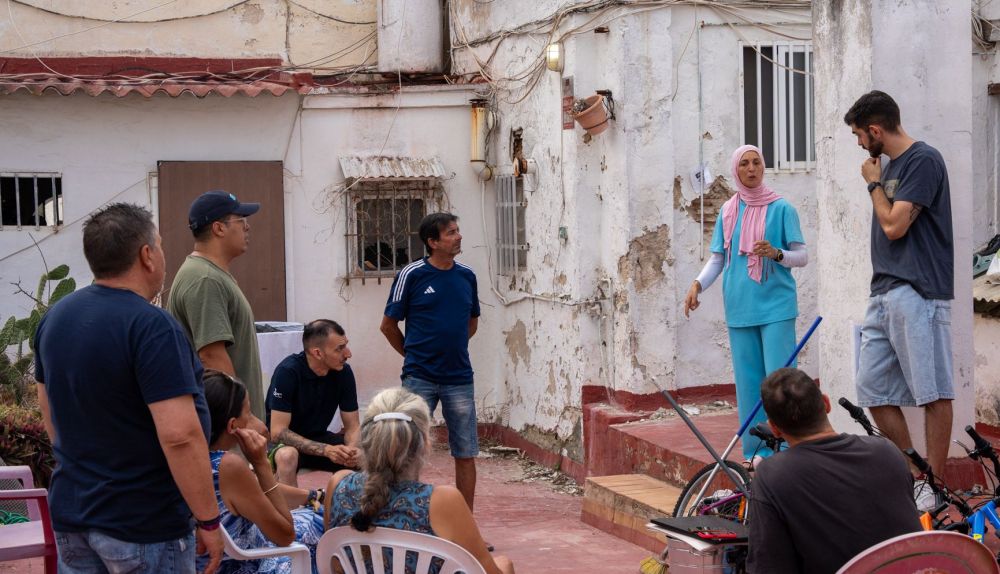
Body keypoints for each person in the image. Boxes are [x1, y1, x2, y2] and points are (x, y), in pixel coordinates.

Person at [34, 203, 223, 573]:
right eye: (162, 246)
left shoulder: (55, 318)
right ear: (147, 255)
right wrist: (208, 519)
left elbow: (50, 412)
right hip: (143, 522)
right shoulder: (152, 327)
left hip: (74, 513)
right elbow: (180, 436)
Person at [845, 90, 954, 479]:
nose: (860, 143)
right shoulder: (890, 166)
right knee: (872, 389)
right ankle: (913, 473)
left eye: (860, 134)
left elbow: (894, 226)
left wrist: (873, 185)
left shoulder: (923, 161)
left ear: (876, 129)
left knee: (933, 392)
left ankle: (936, 484)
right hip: (884, 292)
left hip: (919, 291)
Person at [684, 145, 808, 460]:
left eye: (756, 162)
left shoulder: (782, 209)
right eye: (744, 164)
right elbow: (718, 259)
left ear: (763, 167)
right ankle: (756, 454)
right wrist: (697, 284)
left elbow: (802, 256)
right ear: (735, 170)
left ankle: (787, 450)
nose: (751, 169)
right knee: (749, 387)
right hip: (740, 308)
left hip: (776, 307)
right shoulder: (728, 210)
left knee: (781, 384)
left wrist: (777, 254)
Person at [747, 368, 921, 574]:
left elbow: (767, 566)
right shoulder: (887, 450)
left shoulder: (771, 476)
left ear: (774, 428)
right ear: (826, 403)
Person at [324, 388, 514, 574]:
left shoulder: (338, 484)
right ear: (425, 443)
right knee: (504, 564)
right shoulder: (443, 501)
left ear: (366, 441)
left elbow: (333, 562)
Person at [380, 212, 481, 510]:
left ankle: (465, 526)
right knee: (408, 450)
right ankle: (406, 518)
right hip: (418, 378)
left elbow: (471, 322)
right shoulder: (411, 275)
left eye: (458, 230)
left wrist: (452, 349)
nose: (459, 236)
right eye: (451, 232)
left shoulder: (467, 276)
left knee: (465, 451)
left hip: (460, 378)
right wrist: (414, 356)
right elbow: (387, 325)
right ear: (432, 242)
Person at [200, 371, 333, 574]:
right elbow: (285, 534)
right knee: (325, 531)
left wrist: (313, 496)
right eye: (249, 412)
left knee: (315, 516)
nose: (255, 421)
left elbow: (253, 494)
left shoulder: (186, 460)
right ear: (233, 425)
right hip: (244, 564)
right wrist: (261, 463)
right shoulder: (228, 467)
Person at [168, 190, 267, 420]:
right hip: (228, 425)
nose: (247, 227)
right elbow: (212, 356)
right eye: (241, 220)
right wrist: (245, 417)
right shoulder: (205, 279)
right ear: (219, 228)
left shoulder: (209, 274)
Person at [267, 320, 361, 487]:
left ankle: (349, 507)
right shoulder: (288, 372)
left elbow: (353, 426)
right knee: (287, 456)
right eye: (339, 349)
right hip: (284, 443)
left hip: (319, 436)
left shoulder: (343, 372)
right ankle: (292, 512)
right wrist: (325, 450)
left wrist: (351, 451)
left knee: (368, 456)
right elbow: (277, 432)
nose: (348, 354)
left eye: (345, 345)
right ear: (318, 353)